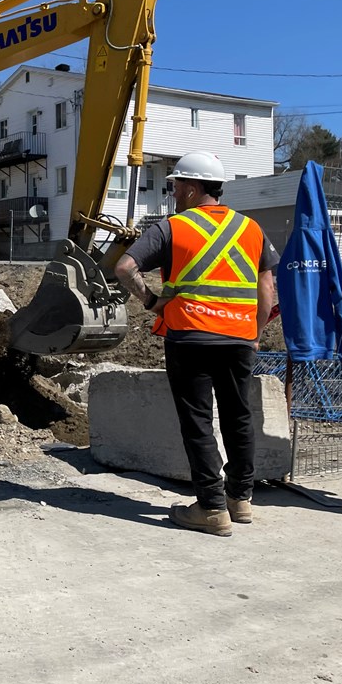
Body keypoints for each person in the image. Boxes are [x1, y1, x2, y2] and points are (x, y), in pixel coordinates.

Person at [115, 151, 278, 536]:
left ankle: (211, 507)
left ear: (191, 188)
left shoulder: (172, 227)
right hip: (239, 338)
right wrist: (255, 334)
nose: (172, 192)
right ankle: (240, 498)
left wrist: (151, 302)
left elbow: (124, 267)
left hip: (190, 337)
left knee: (198, 421)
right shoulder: (251, 229)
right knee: (239, 416)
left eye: (175, 186)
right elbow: (267, 289)